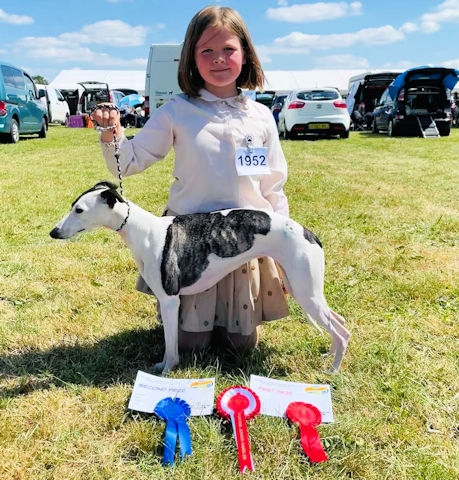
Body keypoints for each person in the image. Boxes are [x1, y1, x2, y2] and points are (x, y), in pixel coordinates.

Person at [90, 5, 290, 355]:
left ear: (245, 53)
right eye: (206, 51)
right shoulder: (176, 111)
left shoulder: (261, 116)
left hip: (245, 239)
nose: (218, 59)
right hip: (191, 241)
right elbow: (132, 160)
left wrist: (284, 248)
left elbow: (273, 185)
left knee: (242, 346)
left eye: (228, 49)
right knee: (191, 346)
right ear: (191, 59)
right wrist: (112, 134)